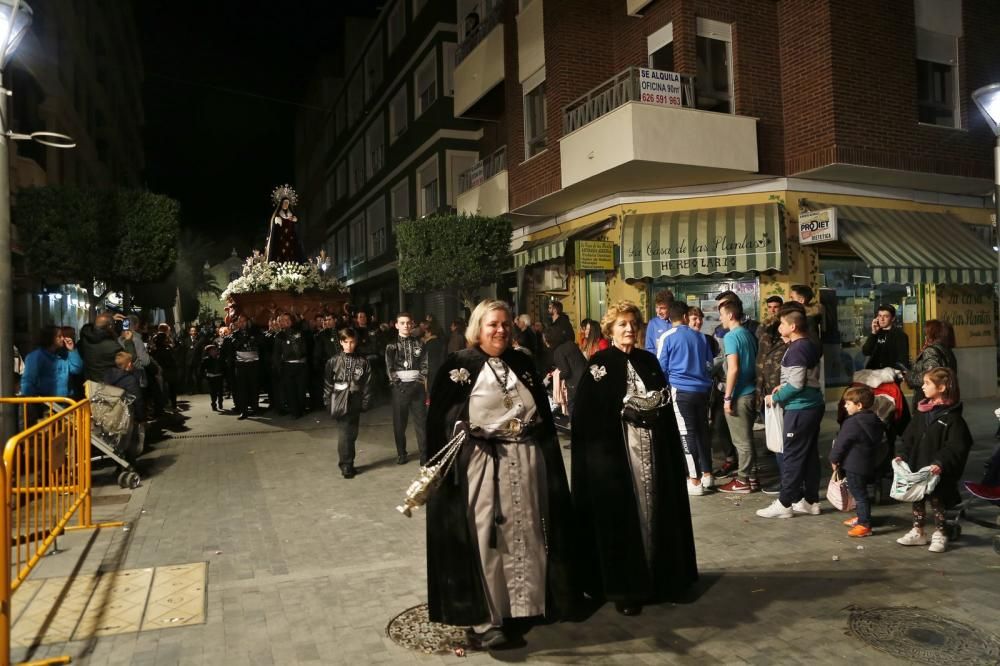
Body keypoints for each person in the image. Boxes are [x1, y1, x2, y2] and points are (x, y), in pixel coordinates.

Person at [424, 300, 576, 649]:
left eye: (506, 324)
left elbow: (540, 412)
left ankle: (524, 607)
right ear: (478, 328)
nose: (501, 330)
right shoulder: (458, 366)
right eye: (493, 324)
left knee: (527, 532)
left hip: (525, 460)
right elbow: (440, 421)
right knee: (485, 536)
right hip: (480, 463)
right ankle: (484, 619)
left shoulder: (522, 362)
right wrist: (465, 430)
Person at [571, 300, 698, 616]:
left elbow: (665, 402)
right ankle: (626, 587)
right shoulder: (598, 366)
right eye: (622, 324)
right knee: (626, 515)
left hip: (654, 449)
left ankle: (662, 578)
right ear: (610, 329)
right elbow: (586, 417)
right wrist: (620, 412)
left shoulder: (649, 361)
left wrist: (655, 414)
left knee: (657, 509)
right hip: (618, 457)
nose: (629, 329)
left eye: (633, 324)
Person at [757, 306, 825, 519]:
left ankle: (785, 503)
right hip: (813, 405)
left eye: (783, 323)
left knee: (792, 457)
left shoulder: (797, 349)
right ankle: (810, 501)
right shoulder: (810, 344)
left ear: (793, 327)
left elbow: (795, 384)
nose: (779, 327)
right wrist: (783, 386)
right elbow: (801, 379)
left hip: (800, 409)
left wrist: (774, 397)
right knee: (810, 456)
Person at [895, 367, 973, 553]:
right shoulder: (922, 413)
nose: (922, 386)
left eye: (927, 383)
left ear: (942, 387)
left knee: (938, 501)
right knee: (918, 499)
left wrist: (940, 462)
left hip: (938, 472)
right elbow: (909, 437)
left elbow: (957, 445)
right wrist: (903, 455)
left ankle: (941, 532)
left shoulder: (952, 418)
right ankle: (918, 531)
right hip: (919, 467)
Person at [657, 301, 714, 495]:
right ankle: (707, 475)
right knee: (702, 432)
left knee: (686, 434)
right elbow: (709, 365)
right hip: (703, 391)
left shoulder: (667, 336)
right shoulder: (701, 337)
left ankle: (694, 481)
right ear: (684, 317)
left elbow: (660, 368)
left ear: (669, 317)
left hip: (681, 392)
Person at [829, 386, 884, 538]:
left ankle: (864, 524)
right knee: (861, 493)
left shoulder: (852, 423)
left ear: (859, 405)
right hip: (867, 463)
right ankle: (861, 517)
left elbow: (841, 443)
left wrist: (834, 459)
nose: (845, 406)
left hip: (853, 465)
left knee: (859, 495)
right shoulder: (874, 420)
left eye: (848, 403)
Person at [717, 299, 759, 494]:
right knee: (747, 438)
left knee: (741, 441)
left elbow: (733, 369)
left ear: (731, 315)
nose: (720, 319)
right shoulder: (748, 335)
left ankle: (742, 481)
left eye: (722, 314)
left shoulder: (731, 337)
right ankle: (752, 477)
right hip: (752, 391)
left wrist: (727, 398)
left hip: (740, 394)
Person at [323, 328, 373, 479]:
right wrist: (327, 401)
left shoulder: (363, 362)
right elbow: (327, 383)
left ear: (356, 342)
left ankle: (348, 462)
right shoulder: (333, 361)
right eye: (346, 342)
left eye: (352, 342)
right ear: (341, 342)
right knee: (345, 432)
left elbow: (368, 383)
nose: (349, 345)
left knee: (352, 433)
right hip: (340, 398)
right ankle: (346, 465)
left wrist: (366, 401)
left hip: (355, 398)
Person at [385, 313, 428, 464]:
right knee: (399, 423)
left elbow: (424, 365)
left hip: (417, 387)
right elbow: (389, 368)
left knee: (421, 423)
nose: (406, 326)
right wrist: (398, 384)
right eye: (402, 323)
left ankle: (424, 455)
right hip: (399, 389)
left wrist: (418, 383)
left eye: (408, 323)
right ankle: (401, 453)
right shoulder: (391, 345)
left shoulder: (420, 343)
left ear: (412, 324)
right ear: (396, 325)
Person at [20, 326, 83, 401]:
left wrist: (72, 351)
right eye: (59, 336)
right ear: (50, 338)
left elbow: (76, 369)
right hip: (45, 402)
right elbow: (28, 381)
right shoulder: (36, 357)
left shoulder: (63, 354)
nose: (63, 339)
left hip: (66, 401)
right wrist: (31, 402)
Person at [906, 320, 956, 411]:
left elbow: (931, 376)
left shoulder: (931, 351)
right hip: (945, 397)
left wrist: (908, 376)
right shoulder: (947, 350)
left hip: (930, 399)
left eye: (927, 334)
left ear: (933, 335)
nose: (925, 337)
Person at [546, 327, 587, 421]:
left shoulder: (558, 352)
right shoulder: (571, 344)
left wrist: (555, 376)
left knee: (574, 414)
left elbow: (566, 372)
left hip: (574, 387)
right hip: (585, 380)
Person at [275, 313, 309, 418]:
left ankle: (300, 408)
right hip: (288, 366)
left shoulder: (299, 332)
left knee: (301, 390)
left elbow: (305, 346)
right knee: (290, 390)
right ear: (280, 323)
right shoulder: (279, 336)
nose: (286, 321)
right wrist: (278, 368)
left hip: (301, 365)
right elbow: (276, 354)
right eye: (283, 320)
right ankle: (295, 412)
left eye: (288, 319)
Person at [231, 314, 262, 419]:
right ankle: (243, 411)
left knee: (254, 387)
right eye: (240, 321)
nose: (242, 323)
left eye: (244, 321)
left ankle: (255, 408)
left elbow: (259, 343)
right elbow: (237, 345)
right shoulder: (235, 334)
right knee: (242, 389)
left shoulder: (255, 332)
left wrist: (250, 336)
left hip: (253, 364)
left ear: (248, 322)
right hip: (241, 366)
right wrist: (247, 338)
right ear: (237, 323)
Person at [78, 314, 125, 382]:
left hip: (90, 384)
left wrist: (108, 320)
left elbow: (88, 328)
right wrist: (129, 341)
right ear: (110, 326)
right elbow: (127, 361)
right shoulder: (113, 347)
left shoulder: (85, 339)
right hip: (107, 386)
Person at [862, 304, 909, 371]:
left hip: (889, 373)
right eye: (880, 316)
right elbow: (866, 352)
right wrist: (873, 333)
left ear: (893, 318)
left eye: (886, 316)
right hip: (872, 372)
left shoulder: (900, 335)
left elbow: (903, 361)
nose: (882, 319)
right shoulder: (876, 333)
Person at [265, 196, 305, 263]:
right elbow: (274, 229)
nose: (286, 204)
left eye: (287, 203)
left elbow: (296, 226)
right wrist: (276, 220)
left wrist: (295, 221)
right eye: (285, 203)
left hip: (291, 238)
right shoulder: (277, 214)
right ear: (281, 203)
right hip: (281, 239)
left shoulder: (292, 214)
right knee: (280, 254)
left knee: (292, 254)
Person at [644, 289, 673, 355]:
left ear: (671, 307)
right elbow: (649, 348)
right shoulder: (653, 323)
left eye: (662, 308)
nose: (658, 312)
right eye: (657, 307)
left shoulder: (678, 322)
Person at [200, 344, 225, 411]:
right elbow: (202, 369)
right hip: (211, 377)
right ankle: (213, 404)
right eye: (212, 350)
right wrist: (205, 376)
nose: (214, 351)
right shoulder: (206, 360)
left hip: (219, 376)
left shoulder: (220, 359)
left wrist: (224, 375)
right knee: (213, 392)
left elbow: (224, 368)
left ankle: (220, 402)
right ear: (209, 352)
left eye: (215, 350)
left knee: (220, 391)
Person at [423, 320, 446, 387]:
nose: (424, 335)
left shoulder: (429, 343)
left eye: (425, 333)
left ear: (429, 333)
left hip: (431, 366)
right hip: (438, 365)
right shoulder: (439, 341)